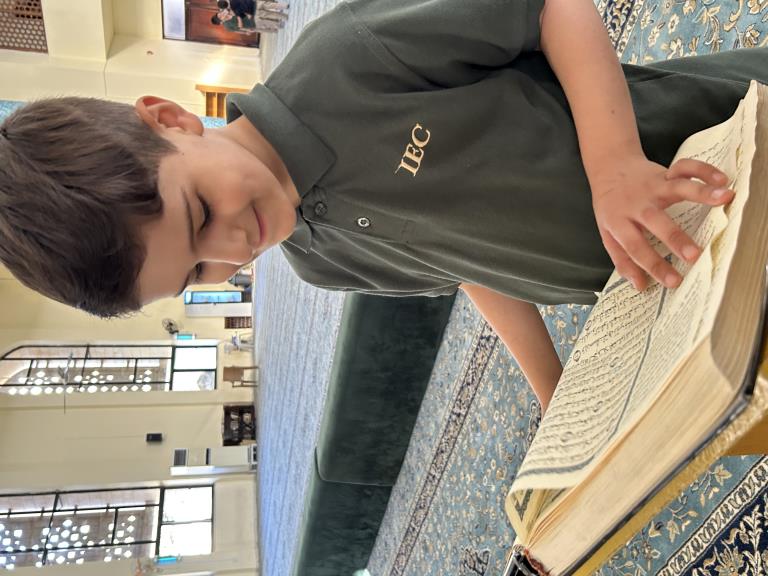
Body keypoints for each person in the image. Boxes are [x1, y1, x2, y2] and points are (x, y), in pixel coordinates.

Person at [0, 0, 764, 411]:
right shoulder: (317, 260)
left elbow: (547, 8)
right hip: (679, 278)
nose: (233, 249)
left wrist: (614, 166)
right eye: (198, 272)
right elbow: (468, 265)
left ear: (169, 119)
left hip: (716, 153)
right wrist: (553, 392)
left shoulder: (349, 56)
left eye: (200, 215)